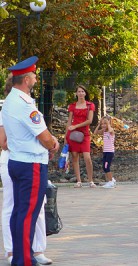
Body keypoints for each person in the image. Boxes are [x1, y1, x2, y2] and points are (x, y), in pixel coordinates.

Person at [2, 56, 59, 265]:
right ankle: (24, 260)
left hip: (17, 161)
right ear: (26, 79)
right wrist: (53, 143)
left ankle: (19, 256)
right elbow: (44, 138)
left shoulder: (10, 101)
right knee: (28, 215)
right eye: (34, 75)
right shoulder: (25, 105)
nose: (35, 78)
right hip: (31, 165)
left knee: (19, 212)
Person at [65, 85, 96, 188]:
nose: (81, 93)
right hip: (73, 135)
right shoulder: (72, 106)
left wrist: (76, 126)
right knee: (74, 156)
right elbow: (69, 121)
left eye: (83, 91)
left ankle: (91, 180)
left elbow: (89, 121)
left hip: (84, 133)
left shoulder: (90, 105)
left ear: (85, 93)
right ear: (76, 93)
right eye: (79, 91)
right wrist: (66, 137)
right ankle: (78, 181)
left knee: (87, 157)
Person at [93, 115, 116, 188]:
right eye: (102, 124)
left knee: (106, 167)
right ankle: (111, 179)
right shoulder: (103, 132)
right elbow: (95, 133)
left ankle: (110, 182)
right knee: (104, 166)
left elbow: (110, 130)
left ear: (109, 123)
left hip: (110, 152)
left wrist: (108, 124)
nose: (103, 125)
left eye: (105, 123)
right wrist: (99, 125)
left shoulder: (111, 131)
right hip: (105, 152)